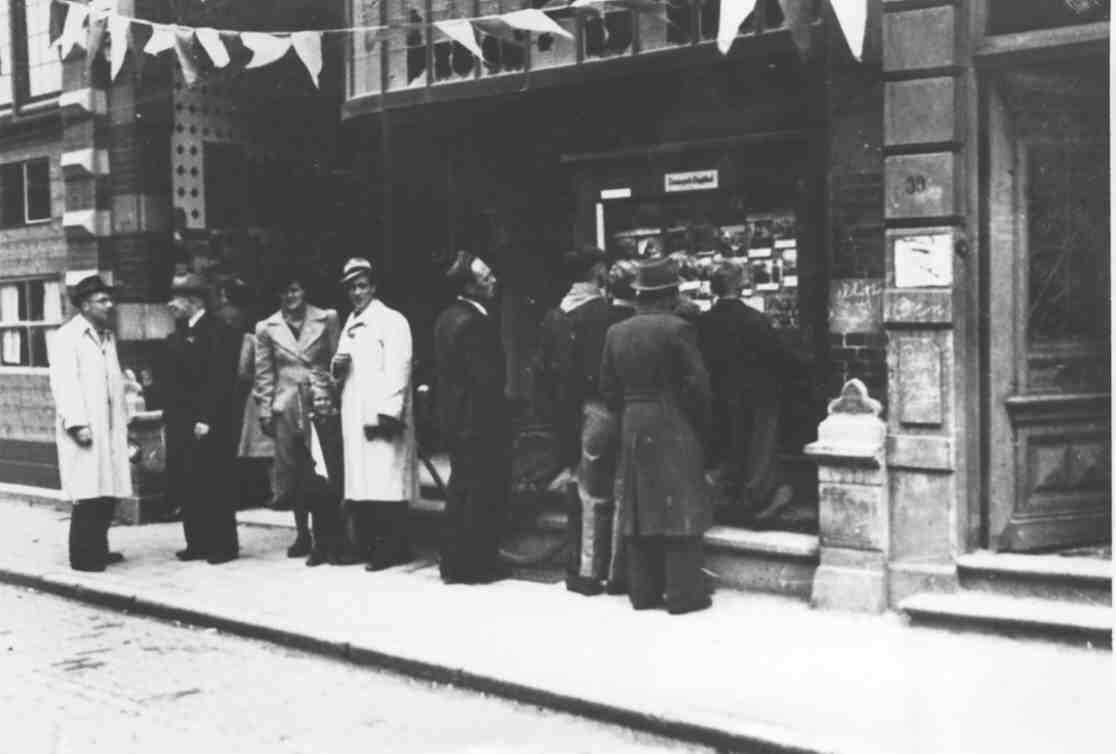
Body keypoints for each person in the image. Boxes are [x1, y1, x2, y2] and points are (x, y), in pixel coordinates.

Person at [600, 257, 713, 614]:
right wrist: (701, 424)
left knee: (639, 506)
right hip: (672, 419)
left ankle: (643, 591)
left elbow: (608, 390)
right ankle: (683, 592)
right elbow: (698, 386)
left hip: (633, 422)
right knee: (679, 503)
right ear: (671, 293)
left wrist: (632, 410)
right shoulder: (679, 329)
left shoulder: (616, 332)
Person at [537, 247, 630, 596]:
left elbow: (543, 374)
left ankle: (584, 569)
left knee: (585, 491)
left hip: (570, 415)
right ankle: (613, 571)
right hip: (604, 409)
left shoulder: (554, 316)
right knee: (613, 489)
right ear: (597, 272)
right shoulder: (607, 314)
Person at [331, 257, 417, 571]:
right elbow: (344, 369)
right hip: (355, 413)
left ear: (373, 287)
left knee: (386, 483)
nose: (357, 293)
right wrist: (336, 369)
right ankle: (365, 545)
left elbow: (400, 368)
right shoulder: (350, 324)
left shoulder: (392, 321)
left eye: (362, 286)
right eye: (352, 288)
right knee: (362, 483)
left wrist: (388, 413)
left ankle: (392, 548)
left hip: (381, 415)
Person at [432, 251, 509, 585]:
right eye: (486, 277)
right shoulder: (475, 322)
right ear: (469, 287)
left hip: (456, 419)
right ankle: (476, 566)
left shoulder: (447, 317)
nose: (494, 280)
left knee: (461, 490)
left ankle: (455, 563)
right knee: (479, 493)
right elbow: (485, 380)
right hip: (478, 421)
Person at [254, 267, 341, 561]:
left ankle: (324, 536)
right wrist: (265, 411)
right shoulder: (267, 328)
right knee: (294, 475)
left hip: (319, 405)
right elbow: (264, 373)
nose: (290, 296)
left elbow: (337, 362)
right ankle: (302, 533)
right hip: (286, 409)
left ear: (305, 291)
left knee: (320, 472)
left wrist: (332, 395)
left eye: (295, 290)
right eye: (284, 291)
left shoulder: (326, 318)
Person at [697, 262, 793, 525]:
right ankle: (756, 500)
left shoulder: (703, 322)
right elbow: (778, 357)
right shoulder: (755, 320)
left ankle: (728, 500)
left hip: (719, 396)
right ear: (739, 285)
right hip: (755, 396)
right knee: (758, 450)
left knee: (727, 449)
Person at [47, 275, 133, 572]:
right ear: (85, 305)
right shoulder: (68, 336)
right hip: (86, 427)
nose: (110, 305)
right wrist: (77, 423)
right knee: (87, 492)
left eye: (110, 299)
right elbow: (64, 384)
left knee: (107, 490)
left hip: (109, 425)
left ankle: (99, 547)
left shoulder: (106, 336)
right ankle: (82, 556)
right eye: (102, 300)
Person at [163, 272, 242, 564]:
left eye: (176, 298)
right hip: (182, 421)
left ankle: (223, 545)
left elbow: (220, 379)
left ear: (194, 301)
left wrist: (207, 417)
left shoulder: (218, 331)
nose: (171, 304)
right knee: (190, 480)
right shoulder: (180, 332)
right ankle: (197, 542)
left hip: (210, 420)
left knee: (215, 482)